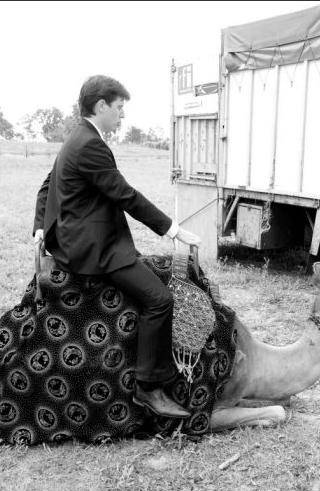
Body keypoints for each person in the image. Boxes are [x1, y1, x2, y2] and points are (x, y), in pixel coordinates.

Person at [32, 75, 201, 418]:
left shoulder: (77, 138)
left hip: (75, 237)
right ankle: (148, 388)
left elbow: (47, 186)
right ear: (101, 106)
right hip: (91, 246)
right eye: (120, 107)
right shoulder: (90, 144)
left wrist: (39, 226)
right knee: (159, 299)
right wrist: (172, 229)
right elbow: (125, 195)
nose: (123, 115)